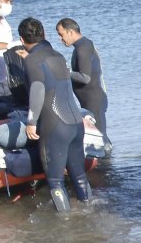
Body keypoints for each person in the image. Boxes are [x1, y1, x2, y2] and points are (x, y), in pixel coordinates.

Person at [20, 17, 91, 214]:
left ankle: (65, 225)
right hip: (76, 122)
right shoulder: (58, 56)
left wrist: (31, 122)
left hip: (55, 126)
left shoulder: (32, 60)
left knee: (55, 181)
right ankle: (91, 212)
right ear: (43, 35)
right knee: (79, 176)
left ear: (21, 40)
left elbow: (37, 89)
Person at [56, 19, 110, 149]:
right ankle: (106, 165)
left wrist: (65, 71)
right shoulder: (83, 45)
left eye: (61, 34)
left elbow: (85, 78)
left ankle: (108, 167)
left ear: (70, 32)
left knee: (101, 139)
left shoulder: (83, 48)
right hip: (92, 99)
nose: (60, 39)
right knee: (100, 138)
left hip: (94, 100)